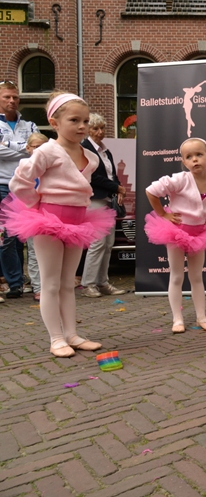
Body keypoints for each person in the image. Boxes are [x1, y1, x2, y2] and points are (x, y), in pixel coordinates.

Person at [2, 92, 115, 357]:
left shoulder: (92, 157)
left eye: (85, 121)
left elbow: (81, 187)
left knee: (67, 283)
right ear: (54, 122)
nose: (82, 126)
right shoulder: (47, 150)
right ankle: (56, 339)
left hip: (78, 222)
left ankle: (72, 334)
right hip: (48, 221)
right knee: (50, 283)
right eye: (74, 120)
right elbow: (20, 182)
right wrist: (37, 207)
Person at [144, 138, 206, 333]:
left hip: (200, 233)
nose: (195, 160)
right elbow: (152, 191)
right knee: (176, 276)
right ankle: (177, 319)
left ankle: (201, 316)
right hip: (177, 232)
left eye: (199, 155)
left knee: (197, 276)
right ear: (184, 161)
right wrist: (163, 214)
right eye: (189, 157)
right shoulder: (180, 179)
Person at [80, 113, 127, 298]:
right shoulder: (84, 148)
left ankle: (102, 282)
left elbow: (111, 174)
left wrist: (117, 190)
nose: (100, 132)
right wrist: (117, 187)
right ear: (88, 130)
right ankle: (88, 284)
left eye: (102, 128)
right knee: (97, 242)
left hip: (107, 199)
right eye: (95, 128)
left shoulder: (105, 151)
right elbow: (92, 176)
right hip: (94, 199)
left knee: (108, 243)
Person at [0, 80, 37, 300]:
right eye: (7, 97)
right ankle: (14, 283)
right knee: (7, 237)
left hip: (25, 187)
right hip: (3, 185)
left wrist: (7, 146)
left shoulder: (29, 125)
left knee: (22, 236)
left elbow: (38, 148)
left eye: (15, 96)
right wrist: (25, 148)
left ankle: (19, 281)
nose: (12, 100)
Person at [23, 132, 49, 302]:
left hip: (51, 211)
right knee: (34, 250)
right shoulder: (25, 166)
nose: (40, 150)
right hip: (32, 211)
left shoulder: (51, 165)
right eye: (36, 147)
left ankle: (50, 285)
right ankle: (38, 286)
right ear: (28, 148)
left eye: (43, 147)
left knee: (51, 251)